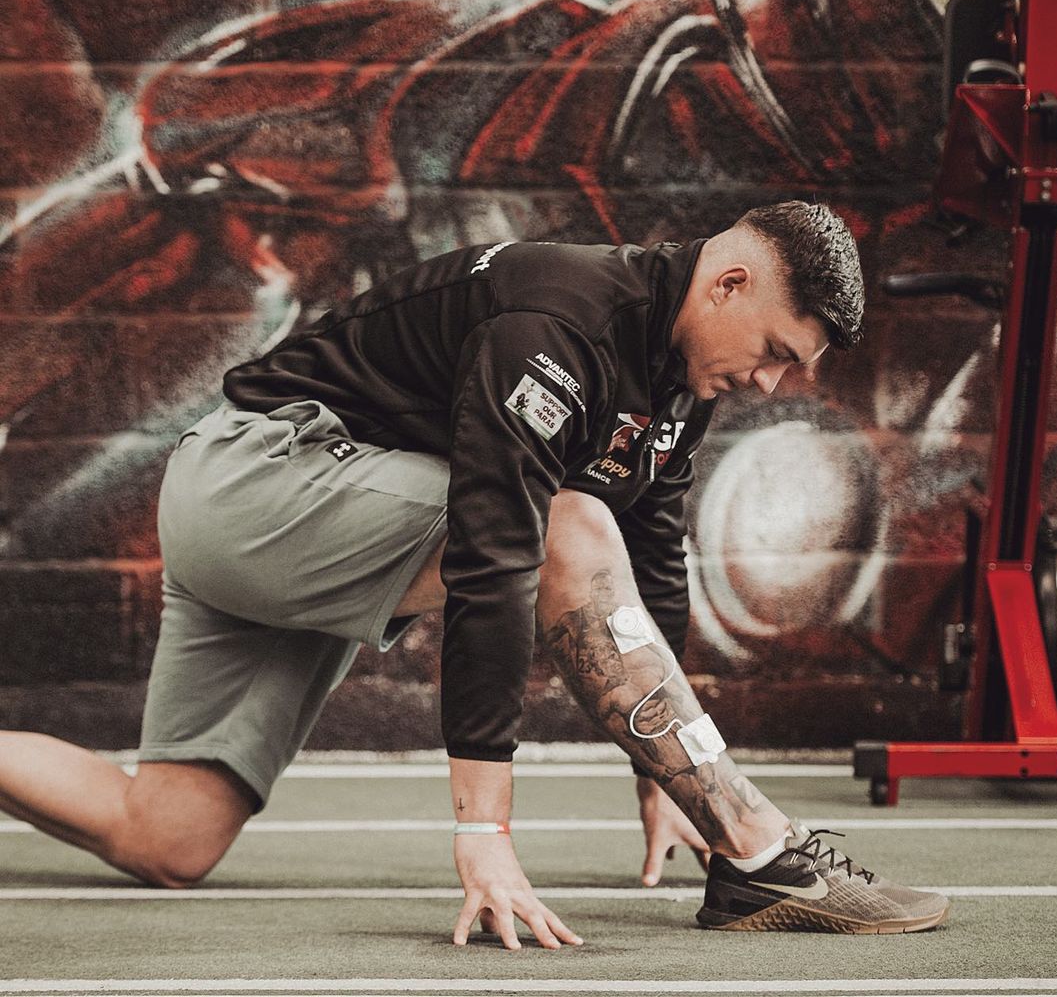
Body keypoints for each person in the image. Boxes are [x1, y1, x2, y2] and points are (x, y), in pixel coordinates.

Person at [0, 200, 948, 947]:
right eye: (776, 352)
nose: (770, 384)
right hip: (259, 482)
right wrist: (483, 834)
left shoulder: (678, 376)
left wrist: (662, 777)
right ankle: (760, 850)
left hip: (298, 534)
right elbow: (499, 554)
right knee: (561, 525)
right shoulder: (559, 319)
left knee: (167, 836)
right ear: (729, 284)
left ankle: (730, 828)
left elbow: (655, 551)